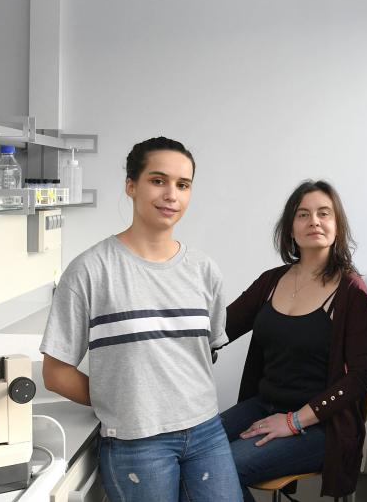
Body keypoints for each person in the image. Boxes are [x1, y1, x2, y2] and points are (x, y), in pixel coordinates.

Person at [40, 136, 242, 502]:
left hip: (206, 431)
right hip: (137, 442)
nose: (171, 195)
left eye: (183, 185)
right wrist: (123, 401)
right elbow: (55, 374)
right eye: (158, 180)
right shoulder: (90, 270)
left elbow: (202, 354)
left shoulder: (204, 270)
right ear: (131, 186)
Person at [222, 180, 367, 501]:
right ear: (291, 228)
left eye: (324, 213)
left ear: (337, 226)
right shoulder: (271, 281)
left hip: (321, 423)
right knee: (190, 454)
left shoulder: (350, 292)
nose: (314, 221)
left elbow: (363, 376)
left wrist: (293, 421)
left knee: (221, 469)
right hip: (263, 406)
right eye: (303, 215)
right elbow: (218, 329)